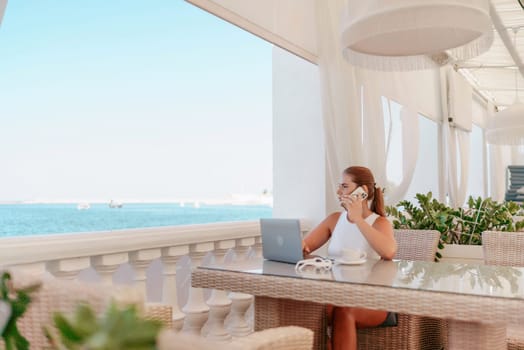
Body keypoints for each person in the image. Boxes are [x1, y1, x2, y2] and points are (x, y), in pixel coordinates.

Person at [302, 166, 397, 350]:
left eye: (344, 186)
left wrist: (358, 220)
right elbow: (305, 246)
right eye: (340, 186)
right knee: (313, 309)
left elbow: (389, 252)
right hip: (338, 295)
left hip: (376, 300)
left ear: (363, 192)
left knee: (344, 311)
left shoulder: (380, 223)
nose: (339, 191)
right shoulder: (334, 219)